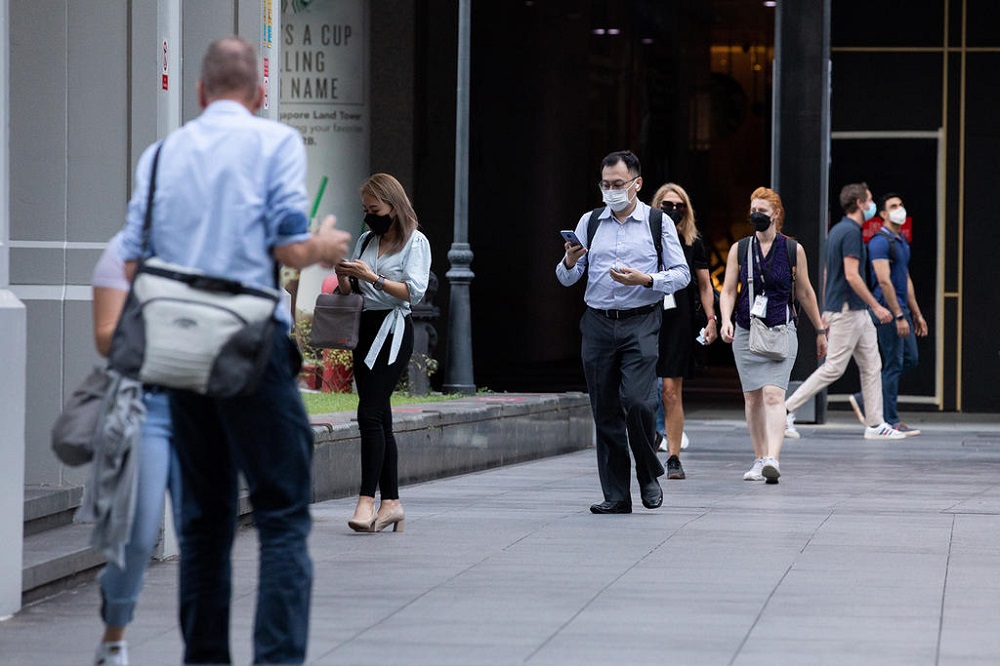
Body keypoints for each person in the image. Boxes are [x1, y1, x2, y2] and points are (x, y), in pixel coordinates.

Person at [118, 37, 351, 664]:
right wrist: (323, 248)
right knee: (280, 513)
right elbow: (284, 244)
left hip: (180, 352)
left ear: (199, 93)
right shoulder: (272, 141)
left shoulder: (161, 154)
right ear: (259, 94)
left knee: (203, 522)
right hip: (252, 342)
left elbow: (134, 256)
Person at [556, 150, 690, 514]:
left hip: (641, 319)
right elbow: (567, 277)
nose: (612, 190)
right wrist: (569, 261)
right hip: (597, 321)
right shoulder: (591, 221)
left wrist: (646, 279)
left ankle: (648, 471)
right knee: (605, 410)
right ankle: (616, 494)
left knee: (638, 401)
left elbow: (681, 274)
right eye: (606, 184)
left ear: (637, 184)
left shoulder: (657, 223)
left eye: (618, 184)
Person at [91, 233, 182, 666]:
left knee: (208, 541)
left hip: (210, 406)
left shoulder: (224, 245)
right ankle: (114, 631)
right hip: (149, 403)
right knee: (140, 530)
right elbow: (105, 338)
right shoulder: (126, 250)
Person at [335, 174, 431, 533]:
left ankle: (365, 500)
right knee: (381, 418)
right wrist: (346, 276)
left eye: (374, 209)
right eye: (365, 209)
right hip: (364, 328)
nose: (368, 215)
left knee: (369, 413)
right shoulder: (366, 239)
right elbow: (351, 294)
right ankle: (391, 503)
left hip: (393, 330)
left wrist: (372, 277)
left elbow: (413, 293)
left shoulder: (415, 242)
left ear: (393, 206)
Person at [719, 187, 826, 483]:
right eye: (753, 211)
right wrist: (726, 319)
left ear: (776, 214)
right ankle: (758, 457)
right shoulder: (740, 249)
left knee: (773, 394)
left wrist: (820, 330)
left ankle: (772, 459)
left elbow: (804, 291)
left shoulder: (793, 250)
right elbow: (728, 290)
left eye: (762, 212)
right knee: (753, 398)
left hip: (782, 328)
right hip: (746, 329)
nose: (756, 216)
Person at [783, 183, 905, 441]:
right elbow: (851, 275)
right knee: (834, 367)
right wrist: (876, 305)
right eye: (870, 200)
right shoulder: (850, 232)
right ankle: (785, 410)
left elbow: (829, 273)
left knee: (872, 364)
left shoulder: (838, 231)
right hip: (849, 311)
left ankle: (875, 423)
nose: (872, 205)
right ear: (860, 203)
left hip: (852, 310)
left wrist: (829, 305)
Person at [649, 182, 718, 480]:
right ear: (656, 207)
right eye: (667, 205)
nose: (673, 210)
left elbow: (704, 284)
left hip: (679, 319)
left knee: (671, 390)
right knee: (641, 390)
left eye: (679, 206)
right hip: (646, 314)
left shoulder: (693, 242)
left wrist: (712, 318)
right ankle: (650, 436)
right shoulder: (644, 237)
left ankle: (673, 455)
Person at [848, 193, 928, 435]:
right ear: (882, 214)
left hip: (902, 308)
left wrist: (916, 314)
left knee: (910, 360)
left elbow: (905, 278)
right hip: (887, 310)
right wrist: (898, 315)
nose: (899, 209)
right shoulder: (879, 241)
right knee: (893, 363)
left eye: (901, 204)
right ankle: (890, 420)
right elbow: (883, 281)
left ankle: (865, 396)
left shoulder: (900, 240)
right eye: (893, 206)